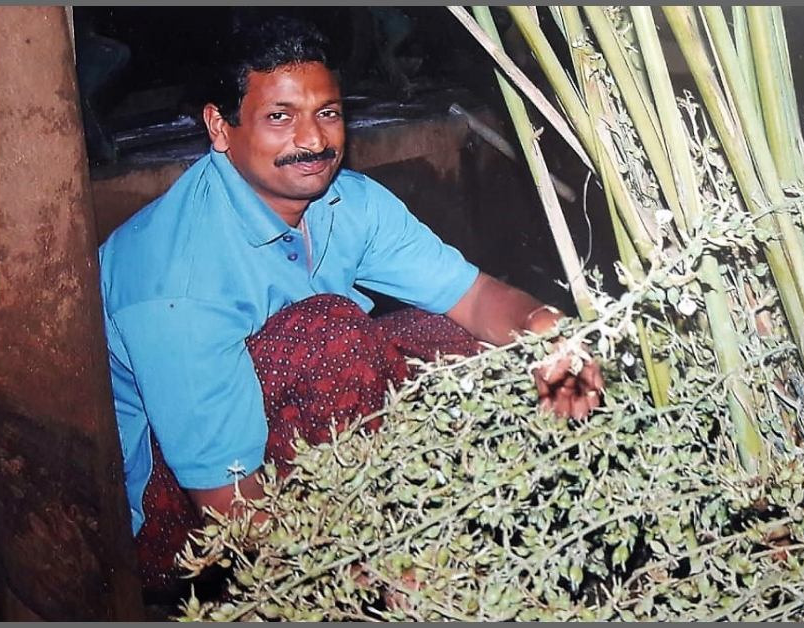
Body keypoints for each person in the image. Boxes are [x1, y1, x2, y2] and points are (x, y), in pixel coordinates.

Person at [97, 15, 605, 593]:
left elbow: (473, 297)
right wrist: (374, 574)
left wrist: (554, 339)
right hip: (182, 523)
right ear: (220, 126)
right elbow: (223, 501)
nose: (313, 141)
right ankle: (380, 555)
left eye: (328, 114)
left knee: (455, 343)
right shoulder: (177, 276)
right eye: (279, 118)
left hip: (281, 459)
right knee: (331, 333)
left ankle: (458, 520)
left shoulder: (348, 202)